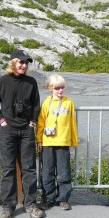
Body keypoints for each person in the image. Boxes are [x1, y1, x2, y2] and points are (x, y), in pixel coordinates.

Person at [0, 50, 45, 218]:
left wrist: (33, 122)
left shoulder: (31, 82)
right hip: (8, 130)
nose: (24, 65)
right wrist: (1, 121)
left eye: (26, 63)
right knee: (7, 169)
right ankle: (8, 206)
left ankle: (30, 204)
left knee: (29, 168)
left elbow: (36, 104)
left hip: (26, 130)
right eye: (21, 62)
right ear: (13, 63)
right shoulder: (2, 82)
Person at [36, 74, 78, 211]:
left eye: (62, 87)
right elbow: (41, 123)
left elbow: (72, 123)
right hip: (47, 142)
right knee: (47, 172)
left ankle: (63, 199)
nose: (60, 90)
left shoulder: (69, 102)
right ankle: (48, 199)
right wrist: (39, 140)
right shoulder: (46, 103)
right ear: (50, 88)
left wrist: (73, 140)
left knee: (63, 172)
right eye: (57, 88)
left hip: (63, 142)